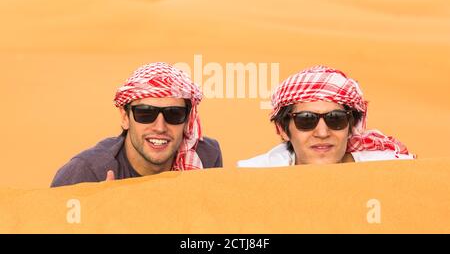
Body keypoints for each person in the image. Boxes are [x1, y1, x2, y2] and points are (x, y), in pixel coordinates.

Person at [51, 62, 222, 187]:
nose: (160, 127)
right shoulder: (87, 172)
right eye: (145, 113)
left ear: (187, 121)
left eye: (174, 114)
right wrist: (98, 215)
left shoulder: (206, 158)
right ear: (125, 117)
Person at [238, 65, 415, 167]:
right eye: (306, 120)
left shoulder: (392, 170)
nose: (322, 133)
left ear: (351, 126)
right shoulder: (252, 175)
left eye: (335, 119)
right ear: (282, 130)